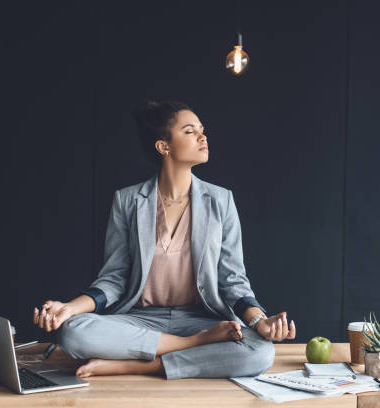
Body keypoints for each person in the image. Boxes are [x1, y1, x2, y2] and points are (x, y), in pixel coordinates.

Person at [32, 100, 296, 379]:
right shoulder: (128, 200)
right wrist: (69, 308)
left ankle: (139, 365)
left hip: (201, 318)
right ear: (164, 146)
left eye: (202, 130)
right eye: (190, 131)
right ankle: (191, 346)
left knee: (260, 351)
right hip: (142, 320)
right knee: (73, 332)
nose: (202, 136)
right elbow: (114, 278)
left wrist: (259, 320)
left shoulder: (222, 200)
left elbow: (233, 280)